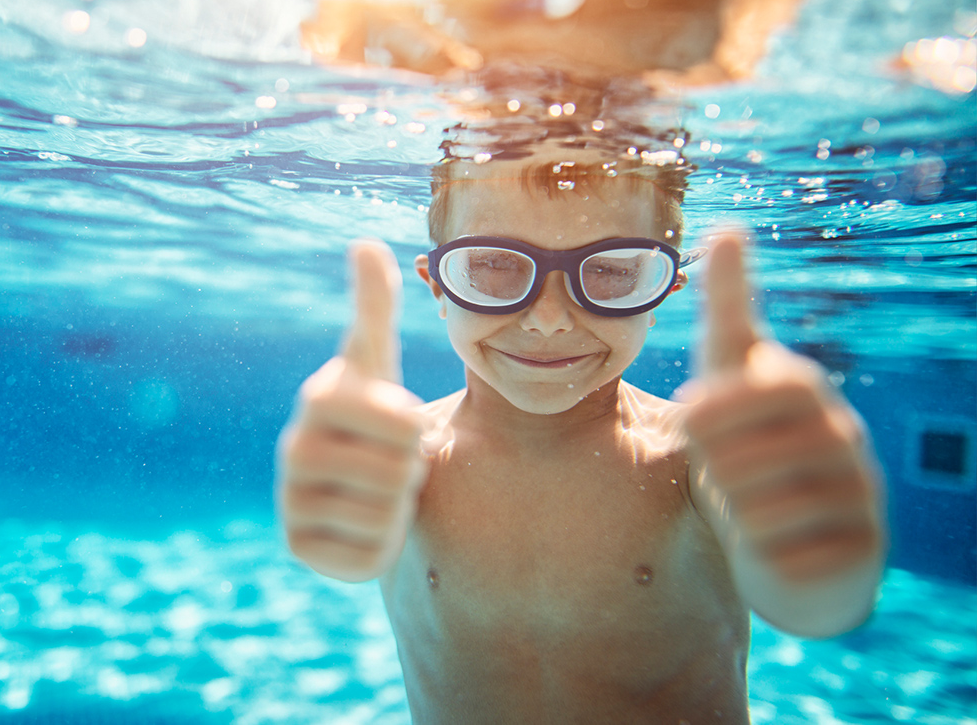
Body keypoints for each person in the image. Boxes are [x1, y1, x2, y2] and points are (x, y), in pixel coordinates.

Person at [274, 134, 886, 721]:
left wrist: (824, 565)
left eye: (611, 271)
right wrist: (329, 535)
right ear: (439, 285)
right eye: (493, 265)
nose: (548, 319)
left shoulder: (693, 457)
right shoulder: (399, 460)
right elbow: (349, 555)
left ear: (659, 291)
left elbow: (812, 605)